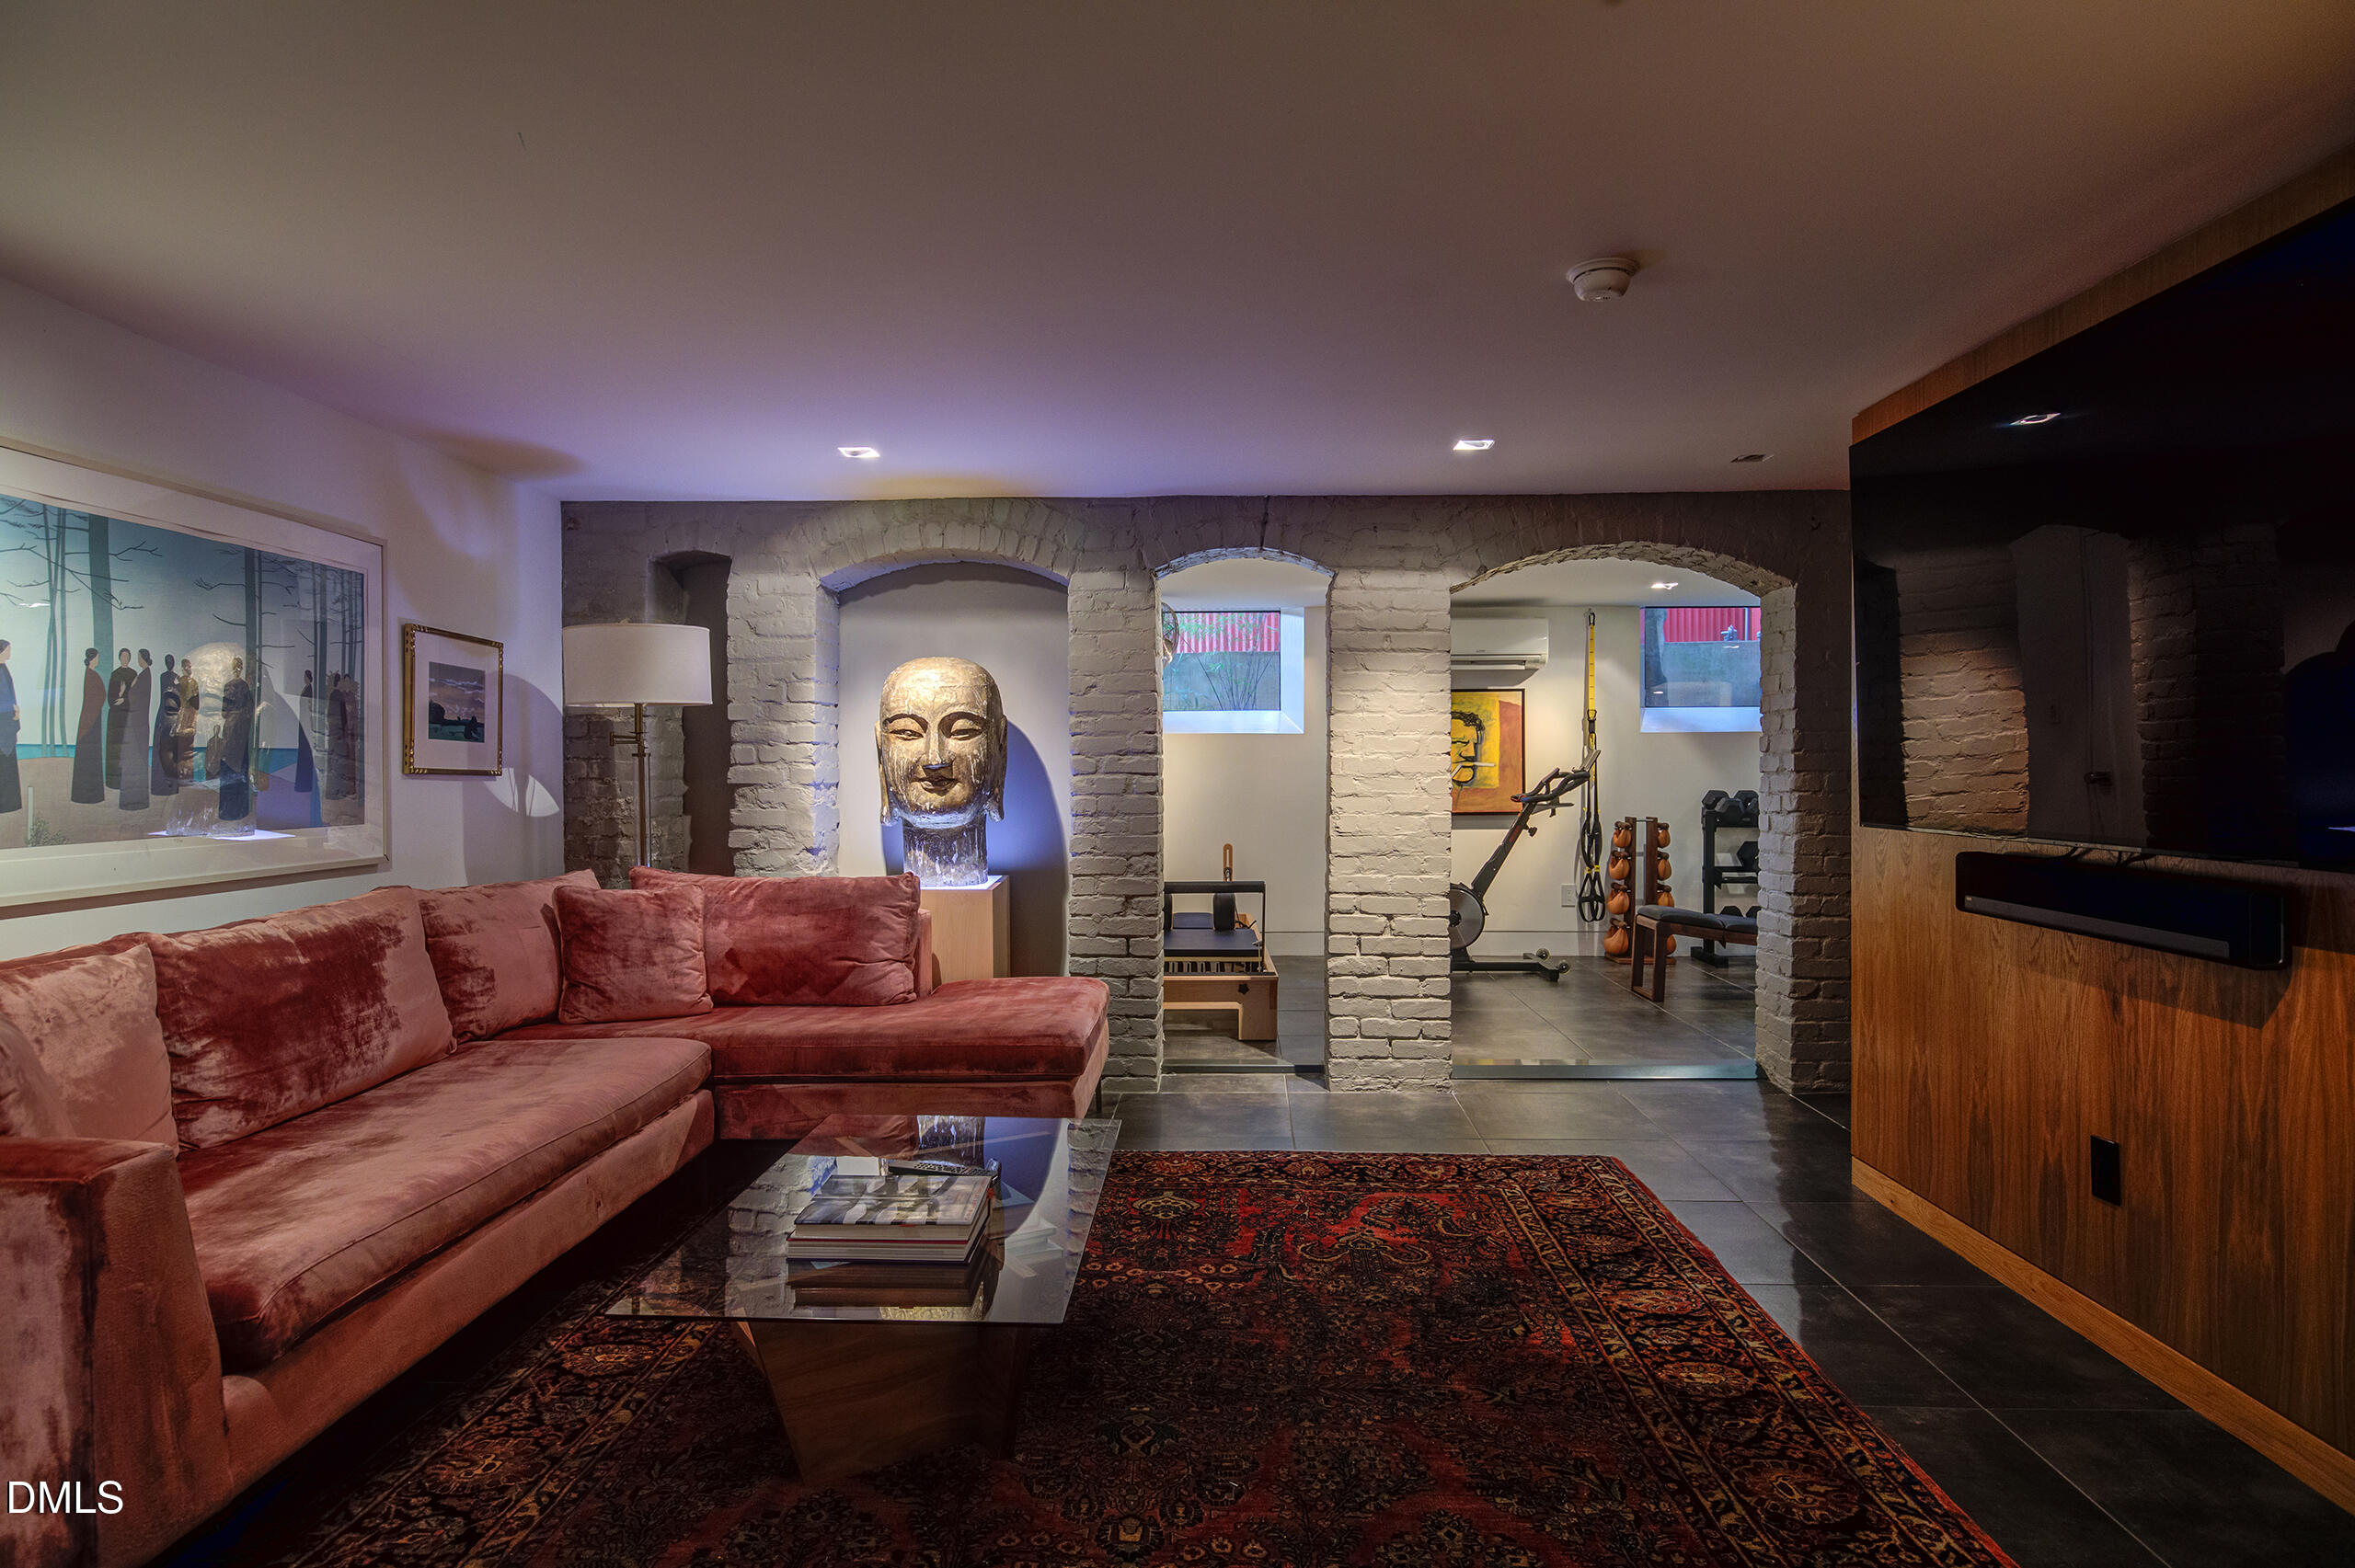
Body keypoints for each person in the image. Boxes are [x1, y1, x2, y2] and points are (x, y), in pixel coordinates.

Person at [218, 657, 255, 820]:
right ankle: (240, 810)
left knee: (228, 769)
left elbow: (224, 712)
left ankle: (227, 811)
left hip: (231, 730)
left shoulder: (229, 686)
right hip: (242, 733)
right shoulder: (245, 687)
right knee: (241, 769)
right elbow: (251, 710)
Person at [118, 650, 154, 812]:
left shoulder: (145, 675)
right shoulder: (144, 674)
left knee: (135, 761)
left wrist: (128, 689)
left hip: (137, 725)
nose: (137, 660)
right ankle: (132, 800)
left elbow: (137, 697)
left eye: (138, 657)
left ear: (142, 659)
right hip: (137, 724)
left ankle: (135, 801)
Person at [71, 647, 106, 804]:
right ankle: (87, 794)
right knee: (89, 753)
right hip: (90, 719)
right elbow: (96, 696)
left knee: (91, 754)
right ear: (93, 658)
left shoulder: (91, 674)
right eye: (97, 657)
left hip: (92, 717)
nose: (98, 660)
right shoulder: (91, 674)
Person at [103, 647, 135, 791]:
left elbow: (135, 696)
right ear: (119, 657)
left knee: (126, 748)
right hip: (115, 718)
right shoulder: (115, 674)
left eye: (127, 656)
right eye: (123, 656)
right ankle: (112, 782)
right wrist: (120, 694)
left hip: (127, 715)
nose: (125, 658)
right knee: (114, 749)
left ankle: (126, 781)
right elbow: (111, 699)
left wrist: (124, 698)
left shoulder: (133, 674)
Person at [150, 654, 181, 798]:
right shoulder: (163, 677)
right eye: (167, 661)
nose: (169, 663)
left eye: (171, 661)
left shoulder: (177, 679)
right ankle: (161, 785)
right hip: (164, 715)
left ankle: (171, 785)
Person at [0, 638, 20, 816]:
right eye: (7, 649)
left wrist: (15, 712)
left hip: (7, 720)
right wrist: (13, 712)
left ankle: (9, 804)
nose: (9, 652)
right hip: (2, 724)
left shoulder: (3, 668)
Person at [175, 655, 200, 783]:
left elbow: (196, 703)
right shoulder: (182, 681)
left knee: (188, 746)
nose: (189, 669)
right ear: (183, 668)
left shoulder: (192, 682)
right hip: (183, 714)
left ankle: (187, 774)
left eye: (190, 666)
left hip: (190, 714)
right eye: (187, 667)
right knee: (182, 747)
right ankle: (182, 773)